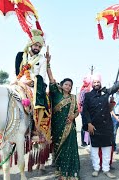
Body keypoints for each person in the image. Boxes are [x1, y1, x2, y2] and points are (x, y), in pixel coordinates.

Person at [11, 29, 51, 172]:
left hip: (35, 86)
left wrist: (33, 83)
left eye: (40, 47)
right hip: (20, 82)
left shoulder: (42, 59)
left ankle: (36, 128)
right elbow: (17, 72)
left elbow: (42, 76)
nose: (37, 48)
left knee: (40, 105)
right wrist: (23, 81)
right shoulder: (20, 56)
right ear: (30, 44)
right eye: (36, 45)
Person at [82, 64, 119, 179]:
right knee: (94, 150)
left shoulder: (107, 92)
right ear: (91, 84)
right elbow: (85, 111)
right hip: (93, 126)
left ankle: (106, 169)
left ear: (100, 83)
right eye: (94, 82)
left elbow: (116, 85)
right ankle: (96, 168)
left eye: (98, 82)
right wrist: (88, 124)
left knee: (107, 149)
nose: (96, 84)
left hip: (106, 126)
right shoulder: (88, 96)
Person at [46, 45, 81, 179]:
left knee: (70, 149)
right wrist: (48, 62)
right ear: (62, 85)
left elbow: (77, 111)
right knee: (59, 148)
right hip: (57, 126)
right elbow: (50, 77)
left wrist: (73, 116)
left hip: (69, 127)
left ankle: (71, 172)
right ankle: (61, 171)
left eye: (70, 85)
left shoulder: (73, 98)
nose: (68, 86)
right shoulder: (55, 93)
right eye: (66, 84)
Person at [77, 75, 92, 147]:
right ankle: (86, 142)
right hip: (85, 110)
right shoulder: (86, 90)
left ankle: (85, 142)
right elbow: (82, 101)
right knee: (86, 126)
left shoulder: (83, 89)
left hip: (84, 110)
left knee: (85, 126)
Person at [110, 88, 119, 153]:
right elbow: (110, 108)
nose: (118, 88)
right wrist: (115, 117)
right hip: (114, 116)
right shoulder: (112, 96)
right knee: (114, 132)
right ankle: (113, 147)